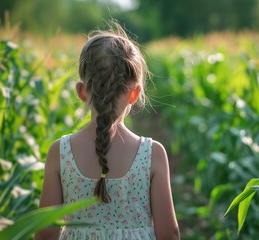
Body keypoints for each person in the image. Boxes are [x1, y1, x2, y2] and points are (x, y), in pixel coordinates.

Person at [35, 23, 180, 240]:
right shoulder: (152, 154)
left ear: (82, 92)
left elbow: (45, 234)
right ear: (135, 94)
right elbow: (169, 234)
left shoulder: (60, 152)